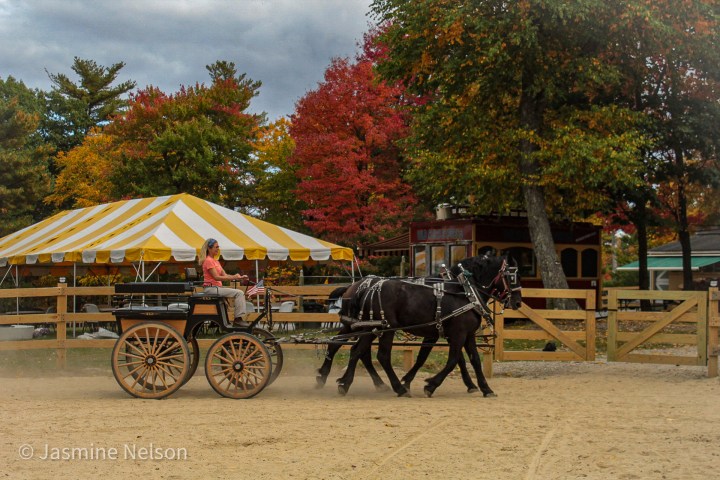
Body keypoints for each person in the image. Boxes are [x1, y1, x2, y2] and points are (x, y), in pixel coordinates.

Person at [199, 238, 250, 327]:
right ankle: (238, 319)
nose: (218, 249)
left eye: (218, 247)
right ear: (209, 248)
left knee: (238, 293)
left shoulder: (216, 261)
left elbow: (225, 275)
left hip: (217, 288)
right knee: (239, 293)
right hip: (211, 288)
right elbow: (216, 277)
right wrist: (234, 277)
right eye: (216, 247)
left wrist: (239, 277)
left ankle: (225, 321)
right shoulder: (208, 261)